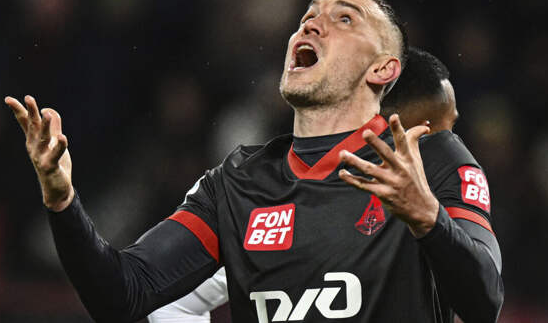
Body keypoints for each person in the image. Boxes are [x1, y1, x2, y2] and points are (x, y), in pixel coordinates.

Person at [5, 0, 503, 322]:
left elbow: (484, 303)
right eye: (307, 17)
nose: (312, 25)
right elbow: (122, 295)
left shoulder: (427, 160)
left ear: (383, 69)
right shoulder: (236, 183)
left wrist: (428, 219)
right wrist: (63, 203)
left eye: (343, 18)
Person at [146, 46, 488, 323]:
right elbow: (177, 301)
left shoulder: (439, 217)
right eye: (429, 131)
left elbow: (482, 293)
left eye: (451, 129)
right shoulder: (278, 209)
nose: (448, 147)